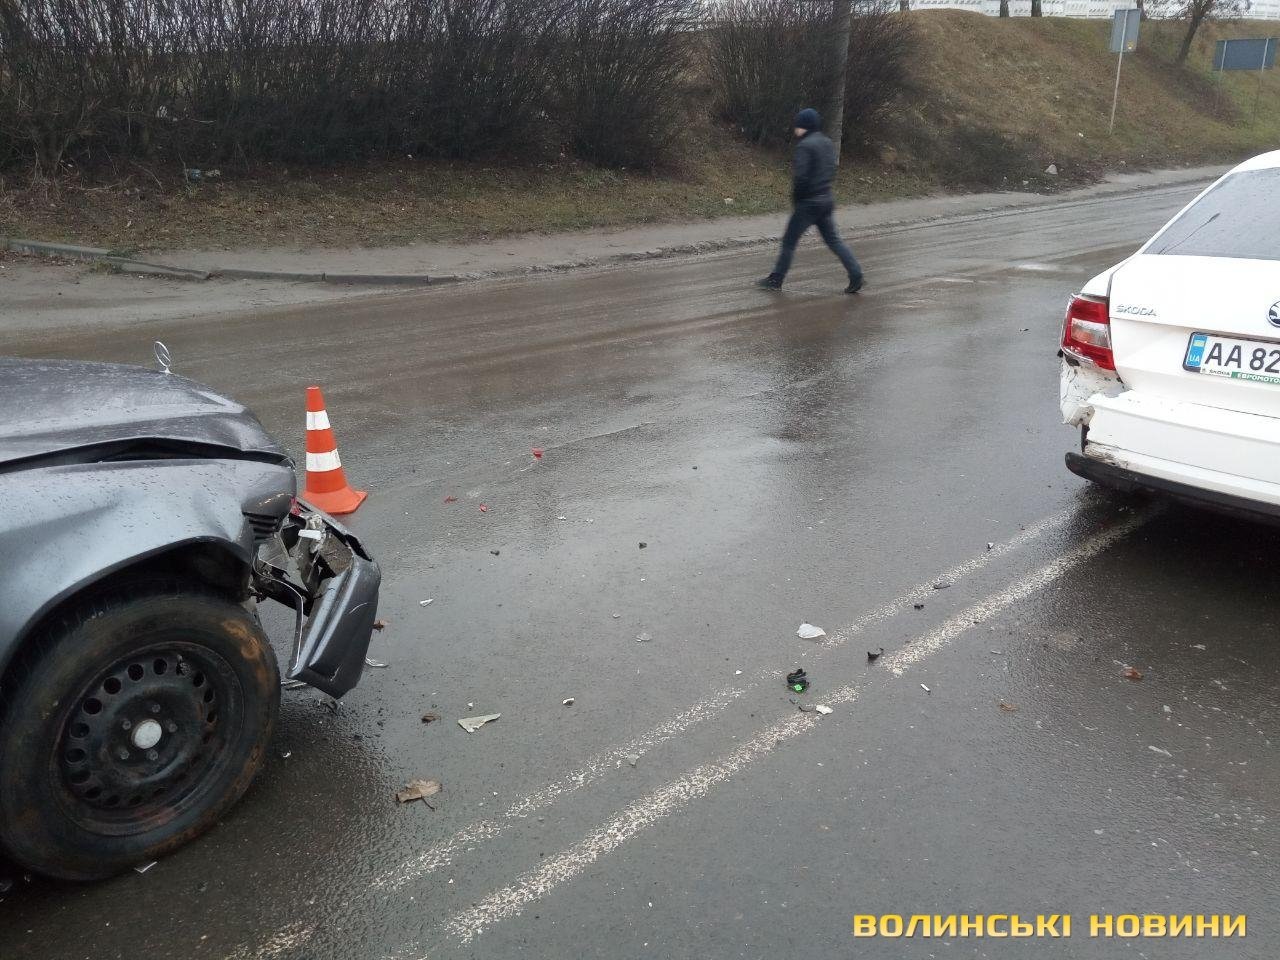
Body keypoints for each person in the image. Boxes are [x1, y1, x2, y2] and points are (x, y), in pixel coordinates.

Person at [757, 107, 863, 294]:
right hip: (826, 199)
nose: (795, 129)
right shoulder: (827, 142)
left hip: (808, 202)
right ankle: (856, 274)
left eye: (797, 125)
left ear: (804, 126)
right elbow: (832, 169)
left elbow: (801, 178)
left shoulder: (804, 146)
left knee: (789, 242)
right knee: (834, 241)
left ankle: (776, 279)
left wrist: (797, 199)